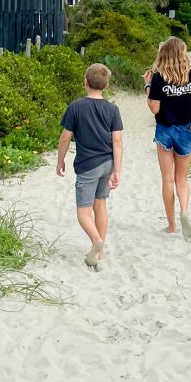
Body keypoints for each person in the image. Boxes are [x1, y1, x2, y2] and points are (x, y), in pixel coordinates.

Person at [57, 63, 124, 268]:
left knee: (83, 212)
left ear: (85, 82)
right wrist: (117, 170)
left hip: (88, 166)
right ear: (107, 85)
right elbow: (118, 141)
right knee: (100, 205)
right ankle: (99, 253)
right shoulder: (113, 109)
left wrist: (60, 160)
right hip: (107, 163)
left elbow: (65, 137)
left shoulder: (76, 107)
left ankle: (96, 241)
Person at [143, 37, 191, 239]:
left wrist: (147, 86)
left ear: (165, 54)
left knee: (167, 179)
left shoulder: (159, 78)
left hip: (165, 131)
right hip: (188, 130)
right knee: (182, 179)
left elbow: (154, 108)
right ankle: (184, 212)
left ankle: (171, 226)